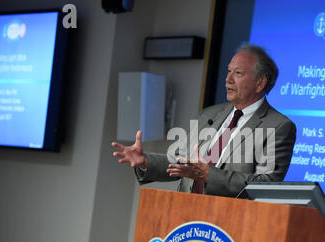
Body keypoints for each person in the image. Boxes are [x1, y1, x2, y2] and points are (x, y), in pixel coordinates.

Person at [111, 44, 296, 197]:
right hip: (186, 217)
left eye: (238, 73)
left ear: (260, 82)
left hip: (229, 228)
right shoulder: (209, 115)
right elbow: (181, 161)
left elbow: (266, 184)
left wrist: (210, 175)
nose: (228, 79)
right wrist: (145, 161)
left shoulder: (279, 126)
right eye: (229, 71)